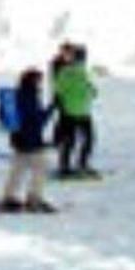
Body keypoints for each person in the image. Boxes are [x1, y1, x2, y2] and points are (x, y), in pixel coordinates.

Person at [0, 66, 56, 214]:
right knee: (40, 170)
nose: (40, 83)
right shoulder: (31, 97)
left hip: (18, 140)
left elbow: (3, 115)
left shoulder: (15, 96)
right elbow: (38, 121)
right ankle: (34, 200)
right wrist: (52, 108)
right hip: (32, 141)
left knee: (17, 170)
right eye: (38, 80)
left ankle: (8, 198)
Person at [52, 44, 98, 179]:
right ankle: (80, 164)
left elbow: (59, 90)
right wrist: (90, 93)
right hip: (81, 111)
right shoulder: (83, 72)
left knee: (71, 140)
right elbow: (89, 89)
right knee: (87, 140)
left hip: (72, 111)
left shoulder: (66, 72)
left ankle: (65, 166)